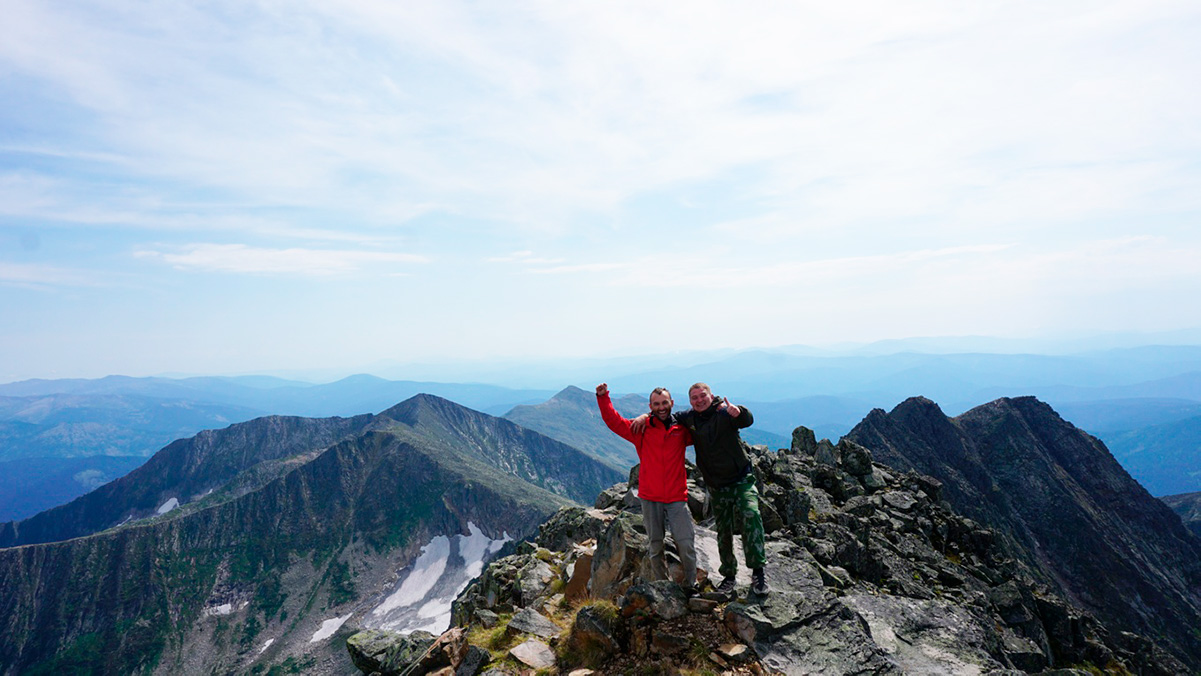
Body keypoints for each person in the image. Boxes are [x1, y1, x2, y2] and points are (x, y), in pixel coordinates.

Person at [595, 383, 697, 592]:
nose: (661, 407)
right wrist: (603, 397)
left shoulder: (682, 429)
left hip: (677, 496)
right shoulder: (641, 429)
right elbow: (614, 422)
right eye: (657, 404)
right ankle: (663, 586)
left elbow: (705, 426)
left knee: (685, 543)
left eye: (665, 403)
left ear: (672, 403)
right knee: (655, 545)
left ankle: (690, 584)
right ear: (650, 406)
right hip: (651, 497)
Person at [673, 382, 768, 596]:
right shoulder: (689, 418)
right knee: (723, 529)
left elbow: (746, 420)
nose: (699, 400)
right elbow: (667, 418)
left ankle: (758, 572)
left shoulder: (724, 412)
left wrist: (740, 411)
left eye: (702, 395)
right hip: (716, 486)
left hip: (741, 479)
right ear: (690, 401)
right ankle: (729, 575)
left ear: (711, 395)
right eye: (694, 398)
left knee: (750, 515)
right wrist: (645, 418)